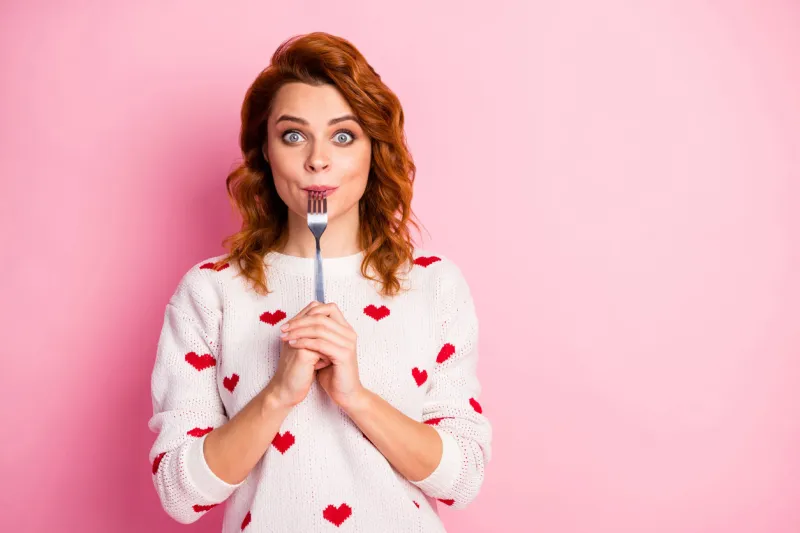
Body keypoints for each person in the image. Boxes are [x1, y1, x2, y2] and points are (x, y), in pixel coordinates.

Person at [147, 31, 492, 532]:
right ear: (265, 150)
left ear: (375, 150)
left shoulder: (432, 286)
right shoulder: (211, 291)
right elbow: (181, 497)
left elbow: (464, 478)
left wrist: (355, 396)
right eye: (293, 135)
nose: (317, 159)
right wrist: (279, 393)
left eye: (343, 135)